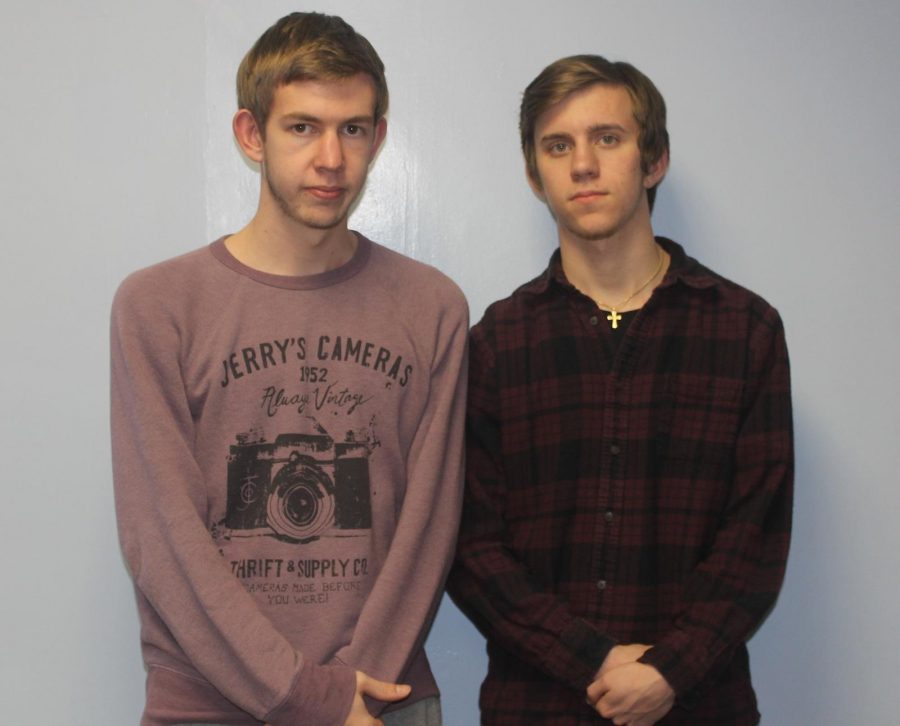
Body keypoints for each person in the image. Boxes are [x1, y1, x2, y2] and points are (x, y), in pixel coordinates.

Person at [111, 12, 467, 726]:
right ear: (251, 135)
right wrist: (307, 696)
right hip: (208, 702)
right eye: (302, 127)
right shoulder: (158, 306)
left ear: (380, 138)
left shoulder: (432, 306)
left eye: (354, 129)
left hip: (381, 697)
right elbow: (164, 538)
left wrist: (350, 689)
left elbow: (430, 526)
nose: (331, 158)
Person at [448, 54, 793, 725]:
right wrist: (597, 661)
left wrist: (670, 668)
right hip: (538, 707)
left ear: (654, 159)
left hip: (699, 706)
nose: (583, 165)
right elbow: (470, 547)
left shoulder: (746, 330)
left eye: (607, 139)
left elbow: (757, 538)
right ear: (534, 174)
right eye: (558, 146)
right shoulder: (495, 343)